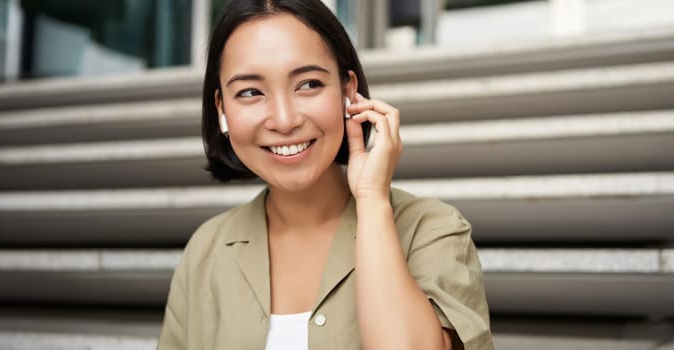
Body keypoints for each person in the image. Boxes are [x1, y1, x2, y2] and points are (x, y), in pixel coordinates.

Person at [157, 0, 493, 349]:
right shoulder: (207, 250)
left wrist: (373, 203)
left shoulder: (433, 229)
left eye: (309, 84)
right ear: (222, 109)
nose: (284, 120)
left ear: (348, 91)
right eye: (251, 92)